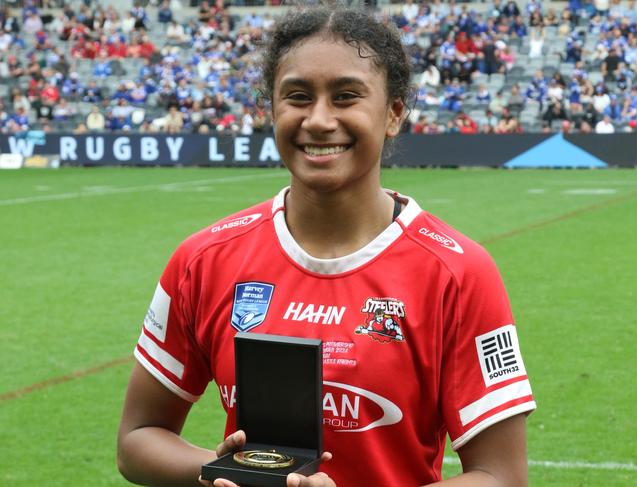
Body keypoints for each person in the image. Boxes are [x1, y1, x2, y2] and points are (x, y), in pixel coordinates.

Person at [117, 6, 535, 487]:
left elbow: (502, 476)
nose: (318, 120)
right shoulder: (202, 260)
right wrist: (224, 474)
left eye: (346, 97)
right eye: (297, 96)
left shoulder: (459, 273)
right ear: (271, 108)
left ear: (393, 113)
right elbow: (138, 438)